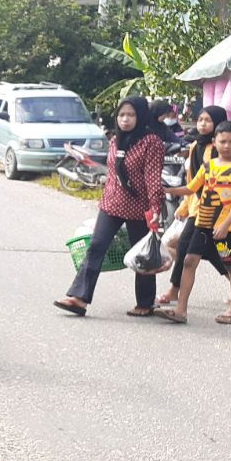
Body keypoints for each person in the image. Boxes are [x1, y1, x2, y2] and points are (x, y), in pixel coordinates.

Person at [55, 97, 164, 318]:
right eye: (121, 115)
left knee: (142, 255)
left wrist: (155, 208)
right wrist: (104, 198)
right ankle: (79, 298)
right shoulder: (115, 140)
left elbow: (152, 177)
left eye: (131, 115)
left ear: (140, 116)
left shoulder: (151, 142)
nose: (125, 120)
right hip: (112, 204)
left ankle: (145, 303)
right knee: (96, 247)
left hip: (139, 207)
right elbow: (112, 174)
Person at [157, 120, 231, 325]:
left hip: (226, 229)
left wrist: (226, 225)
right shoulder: (208, 167)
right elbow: (191, 188)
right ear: (214, 142)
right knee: (189, 260)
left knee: (230, 265)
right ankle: (181, 310)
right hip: (202, 224)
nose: (226, 145)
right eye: (222, 141)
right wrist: (167, 190)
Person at [159, 105, 227, 306]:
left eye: (208, 120)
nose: (203, 124)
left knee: (188, 247)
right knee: (201, 248)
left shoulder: (219, 148)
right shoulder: (195, 146)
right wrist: (185, 206)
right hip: (198, 207)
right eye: (200, 120)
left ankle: (174, 291)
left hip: (216, 208)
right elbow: (192, 182)